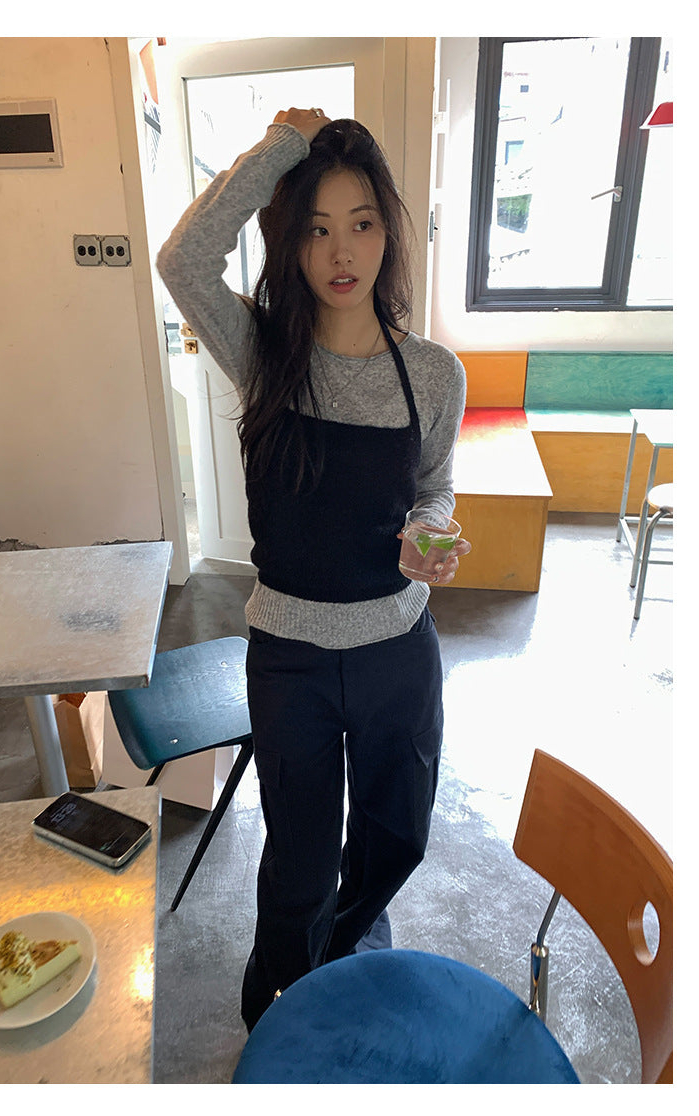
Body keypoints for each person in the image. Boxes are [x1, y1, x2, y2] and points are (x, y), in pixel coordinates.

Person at [157, 107, 471, 1032]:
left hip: (396, 650)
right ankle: (282, 1011)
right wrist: (280, 151)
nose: (341, 252)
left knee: (397, 836)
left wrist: (429, 530)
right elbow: (183, 261)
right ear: (291, 243)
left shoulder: (433, 373)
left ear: (388, 234)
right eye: (317, 228)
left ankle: (345, 956)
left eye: (362, 223)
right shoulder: (265, 356)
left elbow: (435, 483)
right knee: (297, 864)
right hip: (290, 657)